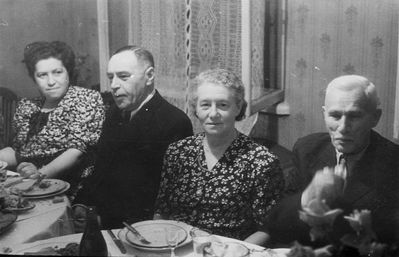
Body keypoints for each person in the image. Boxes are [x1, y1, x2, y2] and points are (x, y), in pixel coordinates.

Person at [262, 75, 399, 249]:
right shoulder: (308, 149)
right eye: (335, 115)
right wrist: (307, 197)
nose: (343, 127)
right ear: (324, 114)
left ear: (375, 117)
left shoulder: (394, 162)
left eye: (354, 116)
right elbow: (277, 228)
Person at [154, 68, 284, 245]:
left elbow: (267, 228)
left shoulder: (261, 162)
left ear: (238, 108)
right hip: (177, 248)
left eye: (223, 105)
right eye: (205, 105)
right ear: (195, 109)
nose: (213, 114)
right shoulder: (178, 152)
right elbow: (162, 211)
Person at [73, 45, 193, 229]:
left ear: (149, 76)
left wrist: (102, 221)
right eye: (110, 77)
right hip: (101, 218)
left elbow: (164, 197)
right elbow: (101, 166)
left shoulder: (174, 122)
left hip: (139, 229)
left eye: (123, 76)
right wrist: (82, 202)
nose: (114, 85)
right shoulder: (114, 113)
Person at [0, 41, 105, 199]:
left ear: (68, 71)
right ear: (34, 78)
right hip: (29, 184)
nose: (51, 82)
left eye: (57, 72)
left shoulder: (86, 98)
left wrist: (40, 173)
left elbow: (77, 152)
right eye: (42, 75)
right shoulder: (28, 106)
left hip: (69, 186)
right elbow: (18, 151)